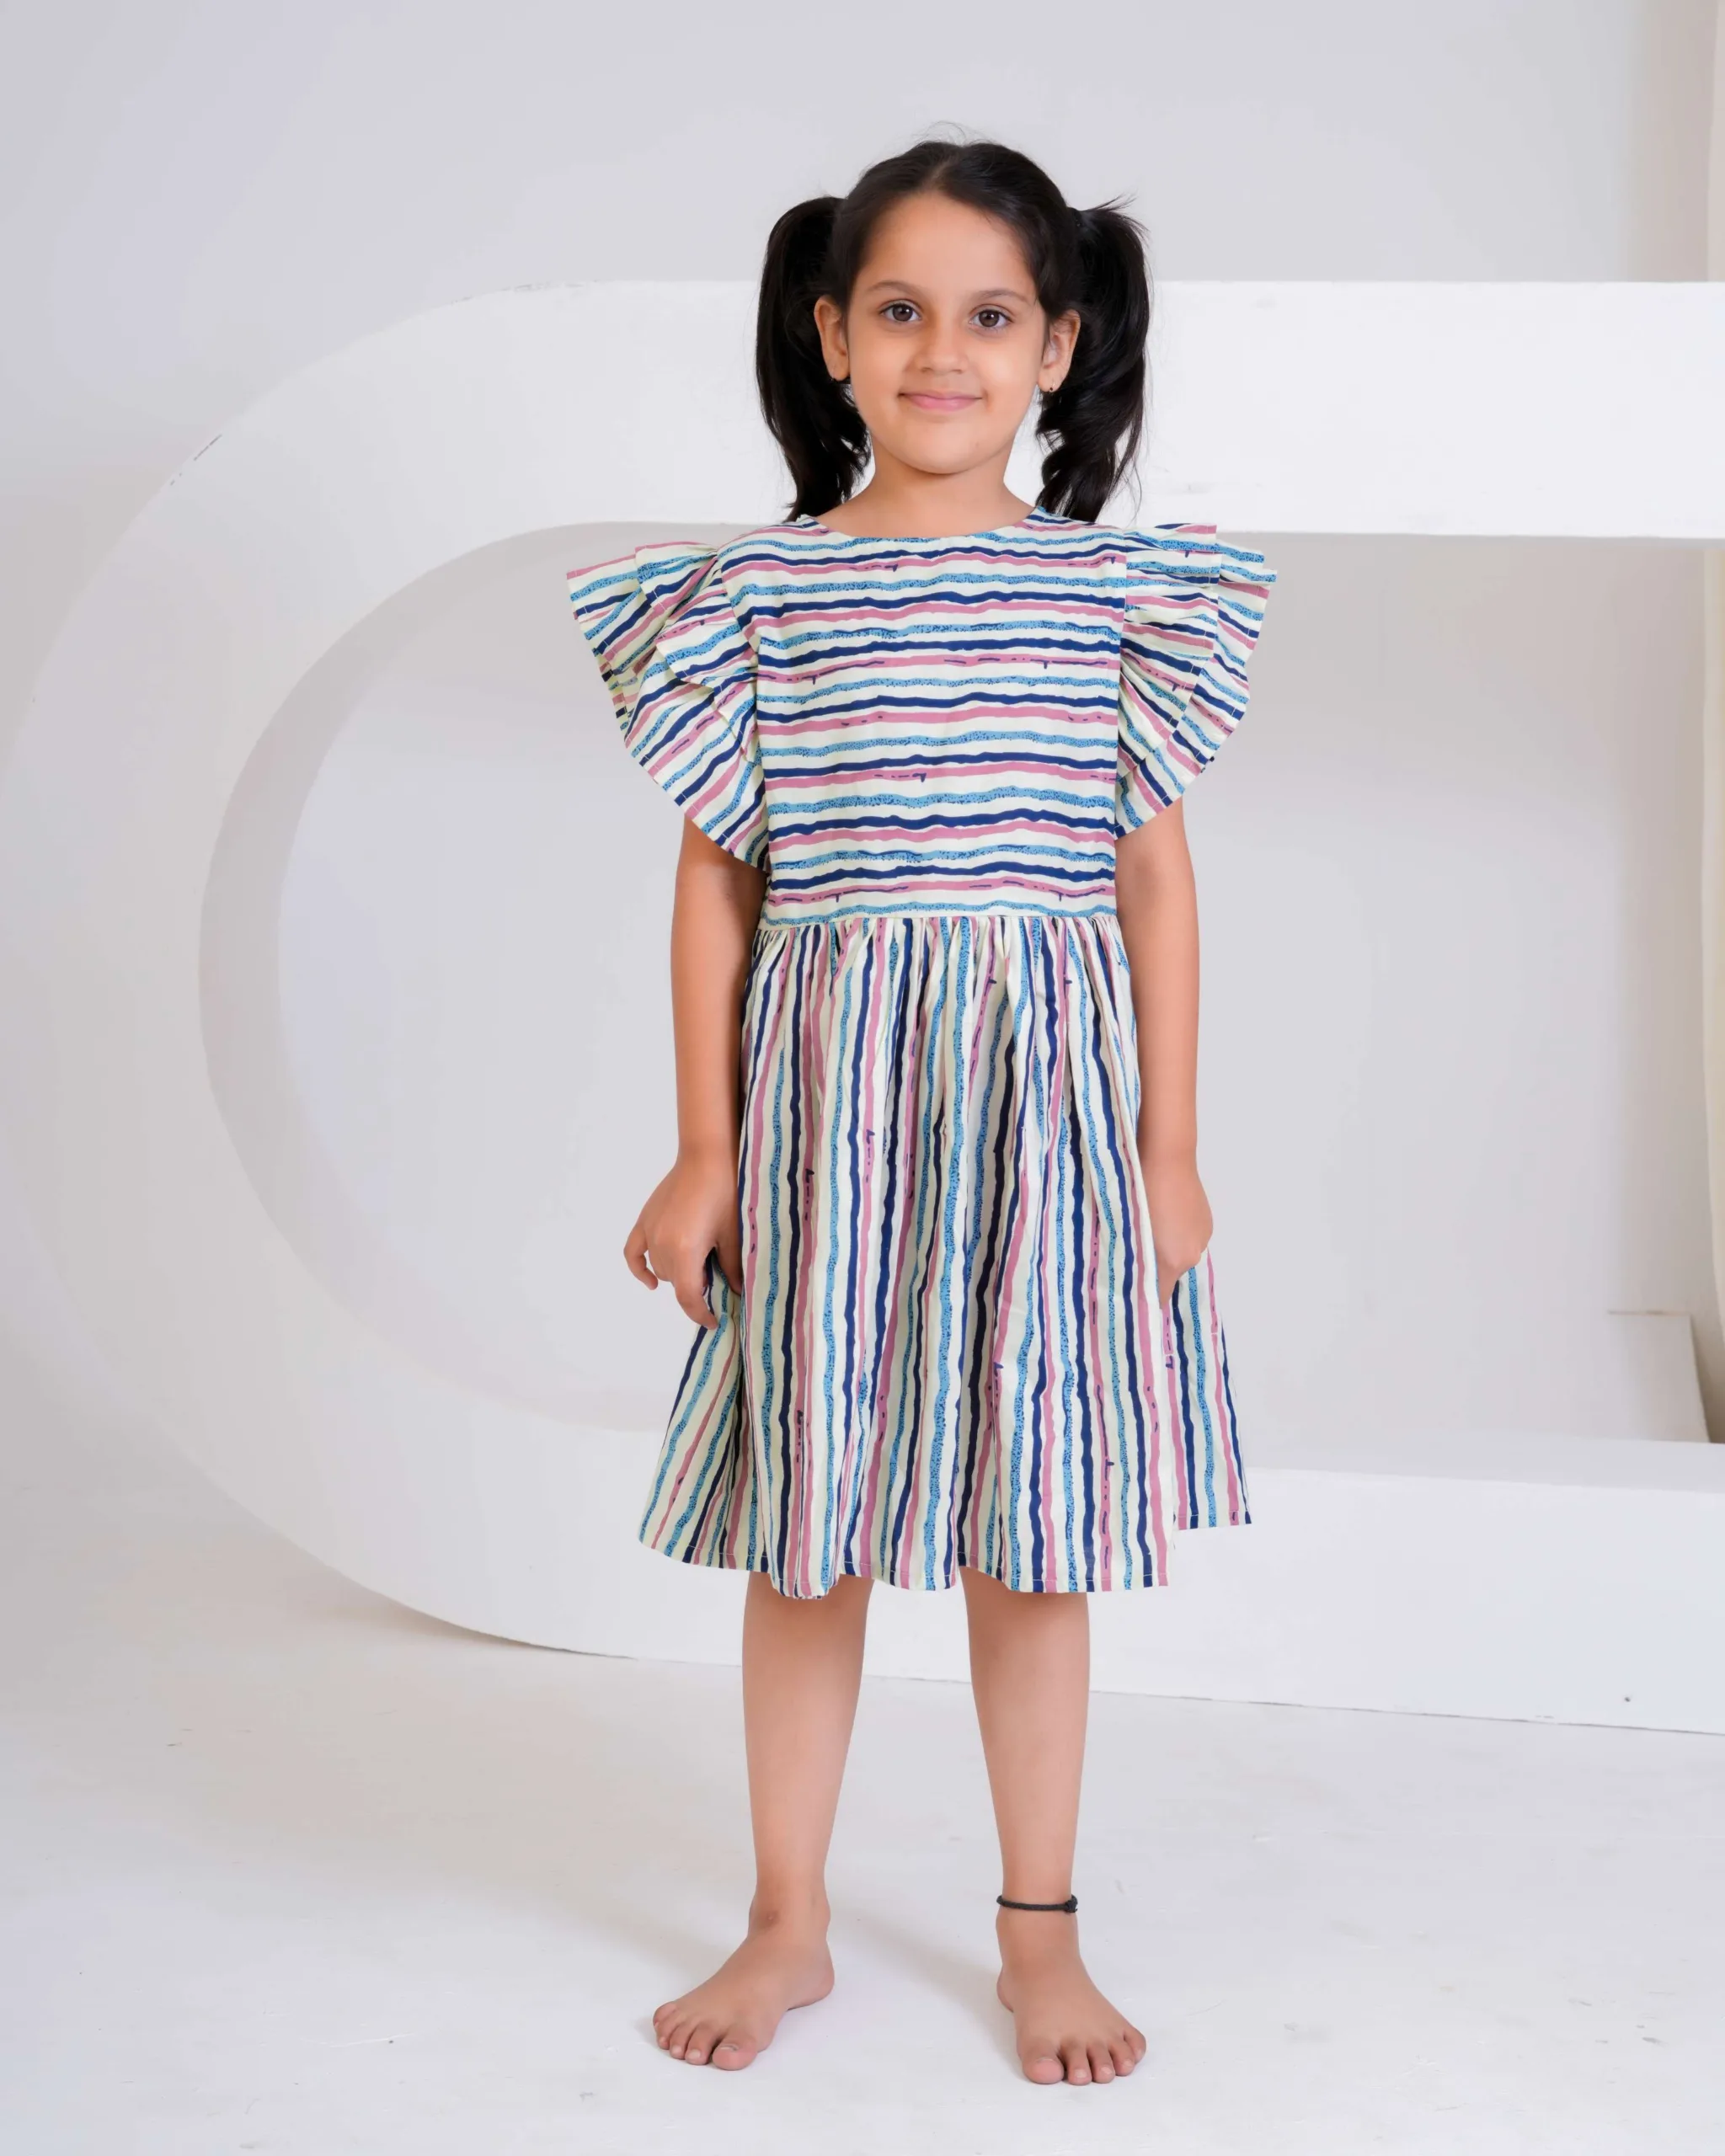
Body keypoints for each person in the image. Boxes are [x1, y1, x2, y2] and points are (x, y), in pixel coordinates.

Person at [566, 136, 1275, 2087]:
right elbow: (718, 881)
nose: (939, 350)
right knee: (809, 1528)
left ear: (1056, 344)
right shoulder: (758, 596)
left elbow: (1151, 879)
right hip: (829, 1106)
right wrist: (705, 1146)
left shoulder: (1114, 596)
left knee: (1031, 1526)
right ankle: (786, 1914)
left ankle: (1040, 1927)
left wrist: (1168, 1146)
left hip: (1043, 1107)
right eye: (898, 309)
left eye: (986, 314)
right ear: (831, 334)